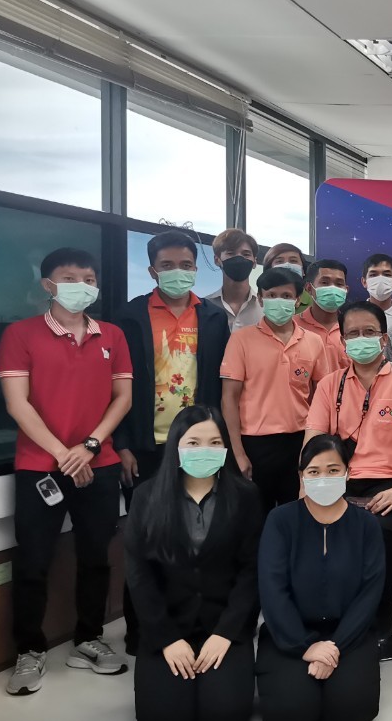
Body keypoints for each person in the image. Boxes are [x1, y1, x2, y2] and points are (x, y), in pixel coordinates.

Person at [0, 248, 133, 695]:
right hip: (39, 466)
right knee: (33, 559)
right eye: (71, 278)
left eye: (89, 279)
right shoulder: (21, 334)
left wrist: (90, 446)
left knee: (96, 557)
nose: (83, 286)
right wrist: (63, 453)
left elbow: (122, 398)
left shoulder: (112, 335)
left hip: (100, 463)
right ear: (48, 285)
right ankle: (29, 649)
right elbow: (17, 403)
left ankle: (89, 639)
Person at [116, 231, 230, 653]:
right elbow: (117, 386)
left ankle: (198, 624)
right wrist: (123, 444)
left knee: (203, 533)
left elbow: (220, 384)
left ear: (196, 269)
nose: (178, 273)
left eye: (185, 265)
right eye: (167, 266)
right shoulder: (130, 316)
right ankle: (140, 629)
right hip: (146, 446)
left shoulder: (213, 318)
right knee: (147, 539)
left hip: (201, 445)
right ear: (152, 271)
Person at [124, 406, 262, 721]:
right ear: (176, 445)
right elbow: (139, 576)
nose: (205, 450)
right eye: (194, 442)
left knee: (223, 719)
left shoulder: (246, 496)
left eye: (215, 443)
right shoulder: (146, 497)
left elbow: (251, 571)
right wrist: (166, 639)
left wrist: (226, 633)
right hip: (167, 627)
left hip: (224, 628)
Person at [304, 301, 392, 648]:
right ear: (343, 340)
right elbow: (312, 442)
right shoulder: (330, 385)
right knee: (313, 534)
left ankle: (379, 627)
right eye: (353, 333)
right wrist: (307, 491)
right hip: (341, 482)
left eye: (369, 332)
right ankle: (331, 623)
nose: (361, 339)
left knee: (377, 532)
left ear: (384, 338)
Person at [256, 435, 385, 721]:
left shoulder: (366, 525)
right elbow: (273, 590)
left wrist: (334, 647)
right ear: (301, 476)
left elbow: (370, 593)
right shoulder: (280, 520)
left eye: (333, 470)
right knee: (288, 718)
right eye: (314, 471)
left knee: (350, 713)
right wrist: (307, 646)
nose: (323, 478)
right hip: (289, 633)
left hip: (349, 634)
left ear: (348, 473)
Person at [220, 268, 332, 511]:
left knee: (299, 512)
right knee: (254, 515)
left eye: (286, 295)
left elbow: (322, 396)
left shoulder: (313, 341)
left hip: (300, 441)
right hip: (255, 444)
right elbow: (229, 398)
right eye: (271, 295)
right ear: (260, 299)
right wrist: (238, 453)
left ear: (298, 300)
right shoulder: (241, 339)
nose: (278, 301)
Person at [206, 229, 261, 333]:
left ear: (254, 262)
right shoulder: (204, 307)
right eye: (231, 253)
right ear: (217, 260)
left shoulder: (266, 309)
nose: (239, 258)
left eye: (246, 254)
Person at [298, 259, 350, 368]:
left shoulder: (354, 329)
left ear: (346, 290)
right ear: (309, 288)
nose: (332, 288)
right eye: (325, 282)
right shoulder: (292, 326)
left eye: (339, 284)